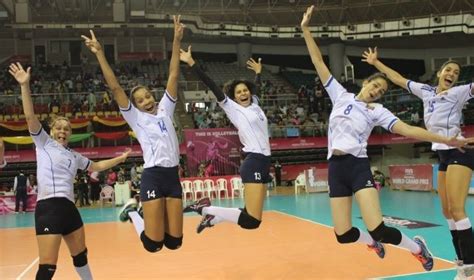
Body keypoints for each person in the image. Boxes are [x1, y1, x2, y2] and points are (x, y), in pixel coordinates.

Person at [300, 5, 473, 271]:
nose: (377, 91)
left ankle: (417, 248)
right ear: (364, 84)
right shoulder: (340, 95)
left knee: (379, 228)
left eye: (381, 91)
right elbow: (318, 63)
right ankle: (371, 242)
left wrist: (448, 140)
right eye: (375, 86)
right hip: (335, 168)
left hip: (357, 166)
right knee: (343, 234)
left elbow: (409, 130)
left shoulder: (377, 111)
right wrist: (305, 30)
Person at [9, 62, 131, 280]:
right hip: (48, 208)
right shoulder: (43, 143)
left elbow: (96, 166)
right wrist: (24, 86)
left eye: (67, 129)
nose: (63, 131)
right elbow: (30, 118)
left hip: (69, 209)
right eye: (59, 128)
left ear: (70, 133)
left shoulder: (75, 156)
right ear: (52, 131)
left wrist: (120, 158)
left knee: (81, 255)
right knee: (48, 266)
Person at [362, 46, 474, 275]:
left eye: (455, 72)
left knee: (457, 209)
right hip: (442, 153)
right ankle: (461, 261)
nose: (451, 73)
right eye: (448, 69)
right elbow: (398, 79)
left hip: (459, 152)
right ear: (440, 73)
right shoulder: (426, 91)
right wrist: (376, 63)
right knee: (446, 211)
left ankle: (470, 264)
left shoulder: (460, 92)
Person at [82, 15, 185, 254]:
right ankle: (133, 214)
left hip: (172, 176)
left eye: (148, 96)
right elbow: (115, 87)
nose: (146, 101)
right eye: (139, 100)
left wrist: (176, 40)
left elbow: (173, 75)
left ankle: (136, 213)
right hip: (153, 176)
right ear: (135, 106)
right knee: (153, 245)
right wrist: (99, 53)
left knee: (174, 243)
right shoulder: (136, 118)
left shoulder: (165, 111)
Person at [180, 47, 272, 234]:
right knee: (252, 221)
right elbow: (212, 85)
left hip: (264, 163)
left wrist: (258, 74)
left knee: (251, 217)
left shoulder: (255, 105)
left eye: (245, 90)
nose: (243, 93)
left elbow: (257, 89)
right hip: (253, 161)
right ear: (233, 96)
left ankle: (214, 218)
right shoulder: (233, 109)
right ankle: (204, 208)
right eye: (238, 92)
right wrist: (192, 63)